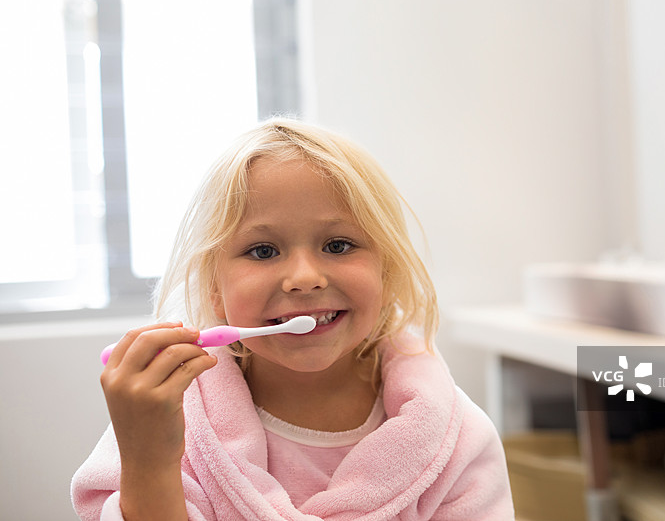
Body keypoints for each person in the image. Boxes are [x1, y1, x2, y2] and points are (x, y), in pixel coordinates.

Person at [71, 118, 514, 520]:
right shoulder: (167, 423)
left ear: (388, 271)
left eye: (338, 245)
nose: (304, 279)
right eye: (263, 251)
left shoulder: (456, 440)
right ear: (213, 288)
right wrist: (148, 459)